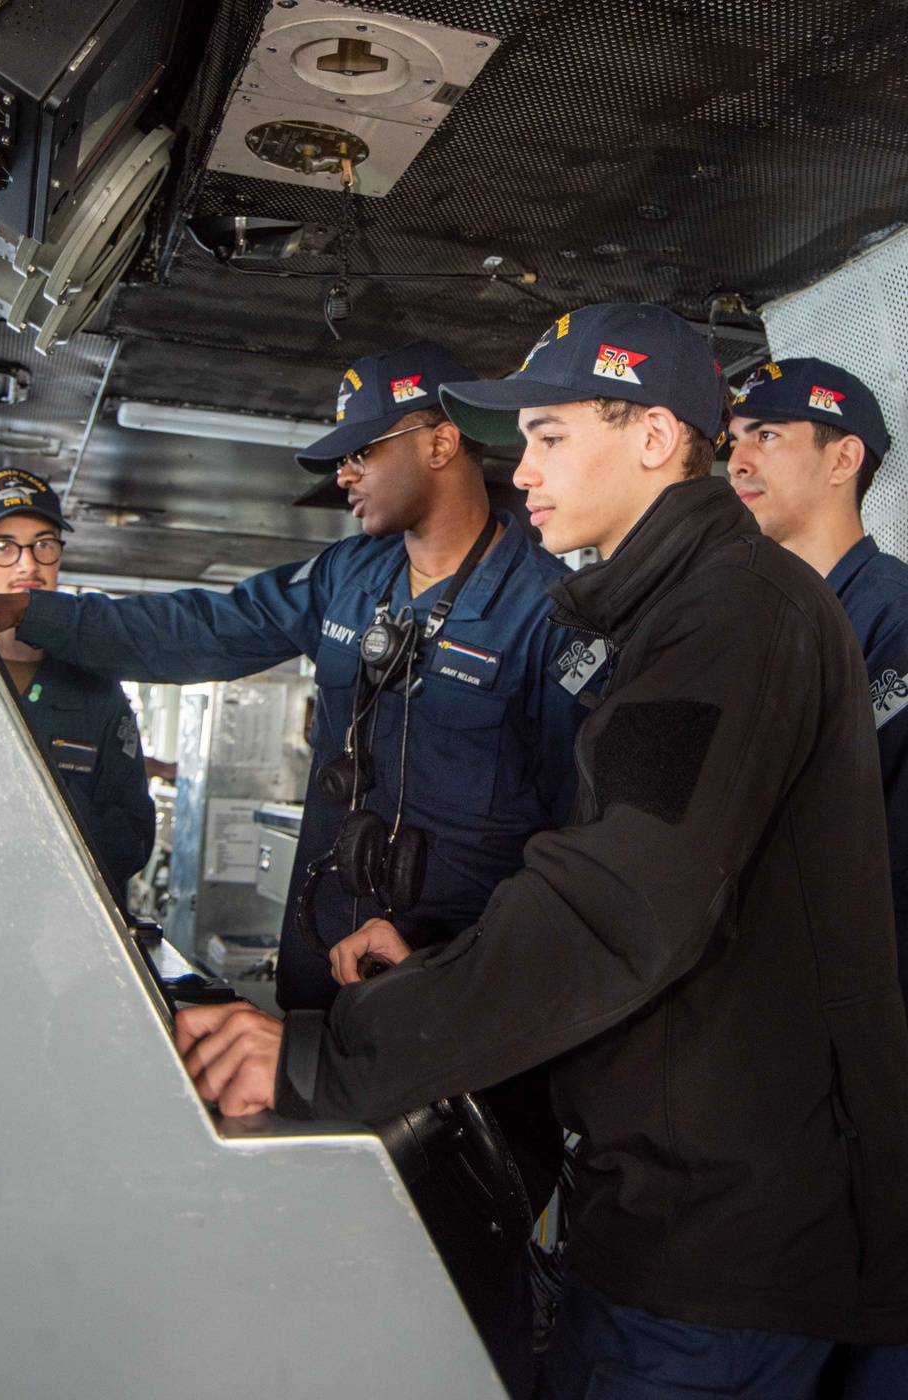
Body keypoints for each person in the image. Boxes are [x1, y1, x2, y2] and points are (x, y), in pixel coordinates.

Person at [175, 304, 908, 1399]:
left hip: (710, 1258)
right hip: (666, 1213)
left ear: (656, 436)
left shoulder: (727, 619)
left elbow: (617, 904)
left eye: (554, 436)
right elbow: (641, 874)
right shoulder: (682, 614)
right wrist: (443, 959)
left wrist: (327, 1056)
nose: (521, 471)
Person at [0, 341, 589, 1398]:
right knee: (333, 1250)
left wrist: (454, 954)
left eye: (361, 450)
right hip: (325, 987)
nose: (342, 472)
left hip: (461, 1008)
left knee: (458, 1266)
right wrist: (32, 612)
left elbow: (572, 841)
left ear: (441, 442)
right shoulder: (347, 575)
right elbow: (201, 627)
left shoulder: (548, 608)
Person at [727, 358, 908, 1399]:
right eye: (735, 435)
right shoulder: (756, 619)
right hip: (769, 1076)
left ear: (844, 460)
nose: (738, 456)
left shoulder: (889, 622)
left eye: (769, 437)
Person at [0, 468, 155, 894]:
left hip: (63, 931)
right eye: (2, 546)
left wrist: (33, 803)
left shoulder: (95, 683)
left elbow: (131, 841)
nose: (28, 563)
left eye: (43, 544)